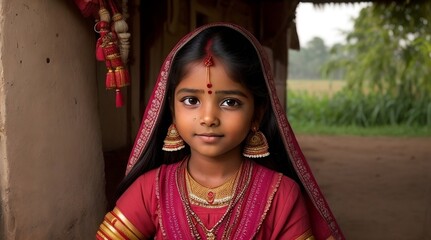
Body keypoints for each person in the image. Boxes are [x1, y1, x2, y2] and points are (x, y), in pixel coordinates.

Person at [96, 23, 344, 240]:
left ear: (256, 113)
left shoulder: (281, 194)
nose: (208, 118)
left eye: (230, 103)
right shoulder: (151, 189)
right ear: (171, 109)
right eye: (191, 100)